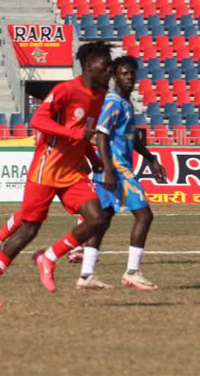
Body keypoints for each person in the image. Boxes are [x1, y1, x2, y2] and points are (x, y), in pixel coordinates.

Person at [0, 41, 113, 309]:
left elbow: (84, 134)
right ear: (88, 66)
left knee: (98, 218)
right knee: (28, 229)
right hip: (46, 169)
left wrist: (94, 159)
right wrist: (74, 135)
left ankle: (48, 257)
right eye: (104, 66)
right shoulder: (66, 90)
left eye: (109, 66)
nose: (109, 71)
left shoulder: (99, 97)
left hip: (71, 172)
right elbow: (38, 120)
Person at [78, 55, 168, 291]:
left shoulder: (127, 104)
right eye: (123, 74)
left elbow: (133, 138)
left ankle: (86, 275)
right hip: (116, 170)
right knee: (144, 216)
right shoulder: (113, 102)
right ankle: (132, 272)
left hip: (113, 169)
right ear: (115, 77)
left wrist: (151, 159)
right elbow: (101, 135)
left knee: (102, 221)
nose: (129, 77)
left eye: (131, 74)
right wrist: (108, 169)